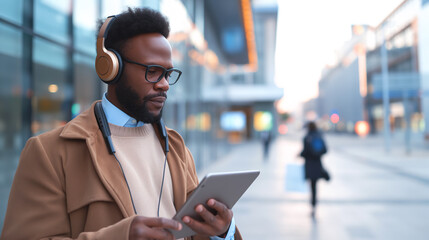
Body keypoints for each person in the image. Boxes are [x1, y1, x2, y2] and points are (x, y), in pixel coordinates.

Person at [1, 8, 241, 240]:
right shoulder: (50, 153)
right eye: (153, 71)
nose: (164, 84)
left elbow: (191, 230)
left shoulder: (176, 148)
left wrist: (222, 232)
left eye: (168, 74)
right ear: (111, 69)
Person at [300, 121, 329, 218]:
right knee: (315, 186)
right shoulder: (319, 136)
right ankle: (314, 205)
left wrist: (299, 155)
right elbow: (325, 150)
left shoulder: (307, 138)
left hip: (309, 165)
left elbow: (305, 152)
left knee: (312, 186)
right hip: (317, 164)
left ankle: (313, 205)